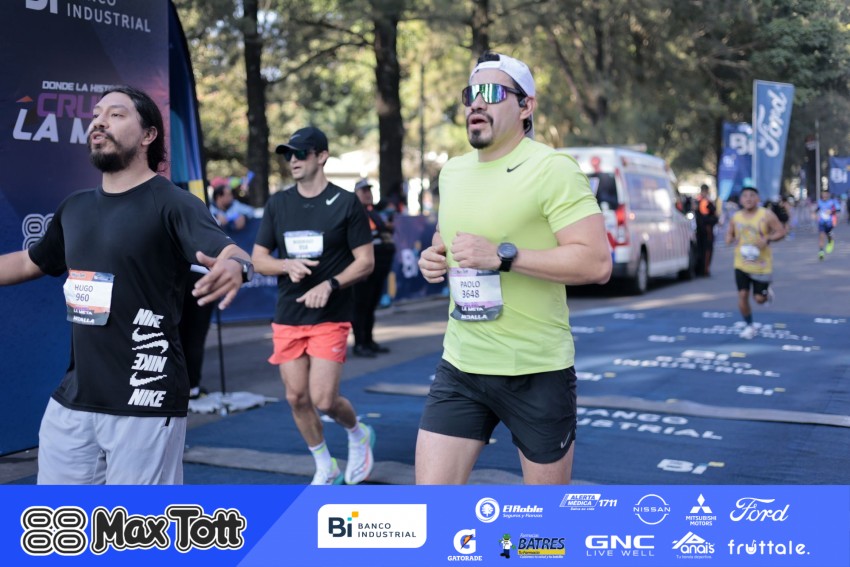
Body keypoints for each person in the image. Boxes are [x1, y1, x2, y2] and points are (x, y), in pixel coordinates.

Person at [0, 86, 252, 484]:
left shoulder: (173, 203)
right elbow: (29, 261)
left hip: (145, 396)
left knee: (136, 522)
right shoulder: (75, 207)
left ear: (149, 134)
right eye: (96, 115)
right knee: (59, 520)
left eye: (116, 114)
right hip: (74, 400)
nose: (99, 122)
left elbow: (231, 252)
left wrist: (236, 266)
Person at [415, 52, 612, 485]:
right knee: (430, 507)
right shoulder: (452, 172)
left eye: (490, 92)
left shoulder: (553, 169)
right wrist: (434, 256)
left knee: (545, 521)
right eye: (470, 94)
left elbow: (597, 262)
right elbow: (448, 238)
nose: (476, 103)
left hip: (536, 370)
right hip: (462, 365)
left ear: (526, 106)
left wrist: (505, 256)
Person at [252, 126, 377, 485]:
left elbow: (365, 262)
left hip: (330, 315)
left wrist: (330, 284)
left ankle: (358, 433)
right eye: (288, 154)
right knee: (296, 397)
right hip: (289, 314)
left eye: (300, 153)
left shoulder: (346, 203)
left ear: (321, 157)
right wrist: (285, 265)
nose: (292, 160)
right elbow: (258, 259)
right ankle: (325, 465)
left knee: (324, 399)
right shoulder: (279, 204)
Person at [725, 186, 786, 340]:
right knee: (742, 295)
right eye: (745, 196)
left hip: (761, 265)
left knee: (759, 299)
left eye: (752, 195)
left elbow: (781, 231)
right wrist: (729, 239)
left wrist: (768, 239)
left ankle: (765, 294)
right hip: (741, 263)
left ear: (758, 199)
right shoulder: (736, 217)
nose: (748, 198)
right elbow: (729, 234)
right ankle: (749, 325)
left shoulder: (766, 215)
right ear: (740, 200)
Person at [351, 178, 397, 357]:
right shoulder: (354, 213)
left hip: (379, 268)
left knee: (370, 306)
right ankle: (359, 344)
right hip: (364, 270)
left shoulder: (372, 212)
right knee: (360, 306)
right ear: (355, 194)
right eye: (363, 191)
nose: (367, 194)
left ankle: (368, 341)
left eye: (369, 190)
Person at [694, 184, 719, 276]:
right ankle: (702, 269)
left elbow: (714, 217)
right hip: (702, 230)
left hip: (704, 230)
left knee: (705, 250)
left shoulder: (705, 202)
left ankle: (703, 269)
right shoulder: (700, 201)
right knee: (703, 250)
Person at [815, 188, 841, 260]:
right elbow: (817, 209)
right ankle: (821, 252)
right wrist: (814, 214)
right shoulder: (820, 202)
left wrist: (831, 211)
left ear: (828, 194)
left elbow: (838, 209)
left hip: (830, 222)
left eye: (825, 194)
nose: (824, 195)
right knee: (821, 235)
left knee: (829, 235)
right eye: (823, 194)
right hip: (821, 222)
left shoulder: (832, 202)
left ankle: (830, 241)